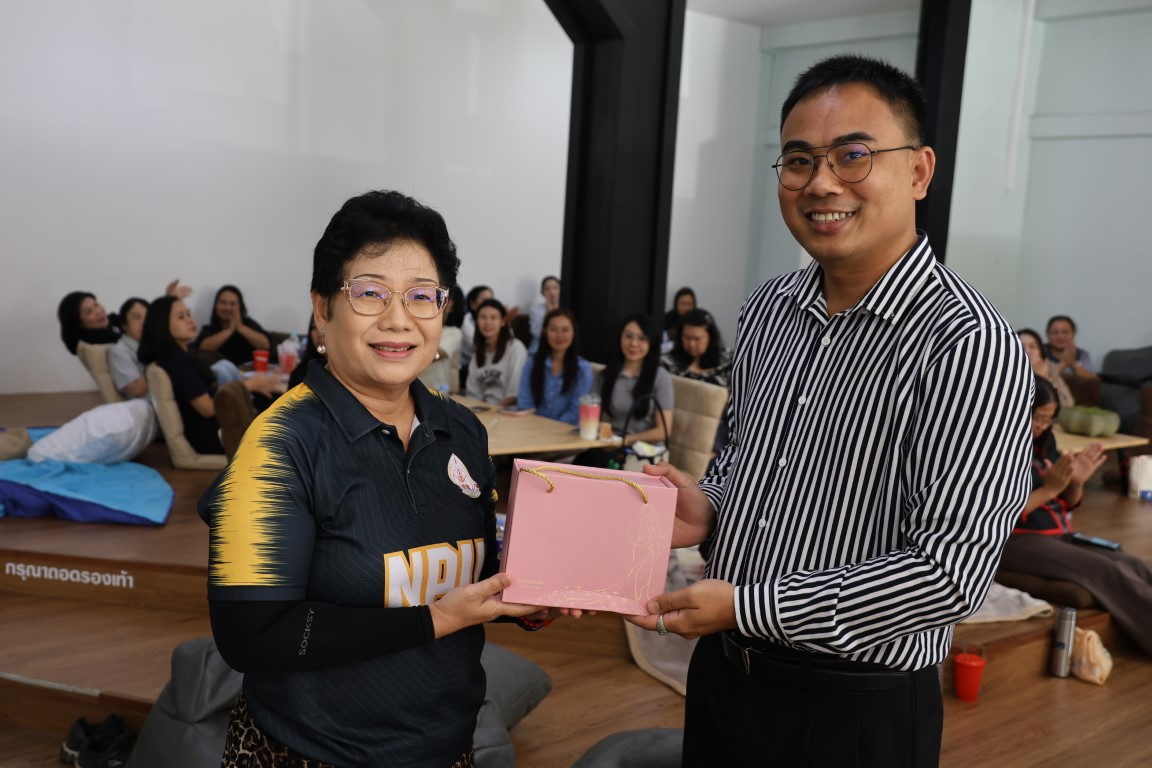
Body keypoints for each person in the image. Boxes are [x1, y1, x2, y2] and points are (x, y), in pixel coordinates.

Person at [627, 54, 1033, 767]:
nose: (820, 183)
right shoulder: (767, 309)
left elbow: (950, 573)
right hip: (723, 671)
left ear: (919, 171)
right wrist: (709, 506)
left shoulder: (967, 341)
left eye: (854, 155)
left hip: (855, 707)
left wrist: (750, 608)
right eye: (799, 160)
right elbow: (744, 459)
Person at [197, 190, 562, 767]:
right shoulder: (279, 444)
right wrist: (435, 620)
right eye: (370, 292)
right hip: (308, 755)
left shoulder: (461, 429)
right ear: (322, 310)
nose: (398, 319)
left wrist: (532, 595)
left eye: (421, 295)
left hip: (449, 748)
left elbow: (466, 571)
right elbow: (251, 636)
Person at [999, 376, 1152, 654]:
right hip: (1015, 540)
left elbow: (1066, 503)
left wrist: (1076, 483)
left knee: (1134, 564)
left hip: (1058, 532)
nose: (1041, 426)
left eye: (1048, 420)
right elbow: (997, 516)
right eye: (1037, 417)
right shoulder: (996, 448)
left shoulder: (1043, 443)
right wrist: (1049, 489)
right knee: (1108, 571)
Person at [137, 295, 279, 455]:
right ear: (162, 324)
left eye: (188, 314)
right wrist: (250, 385)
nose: (190, 320)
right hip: (212, 437)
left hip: (215, 430)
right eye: (181, 317)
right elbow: (208, 408)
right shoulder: (176, 361)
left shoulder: (180, 357)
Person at [57, 279, 190, 355]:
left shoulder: (111, 321)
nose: (98, 311)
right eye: (89, 312)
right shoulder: (100, 340)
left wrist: (168, 300)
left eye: (96, 305)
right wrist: (169, 302)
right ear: (79, 322)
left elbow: (143, 316)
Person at [515, 308, 593, 425]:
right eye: (553, 329)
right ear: (545, 331)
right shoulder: (532, 363)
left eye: (565, 330)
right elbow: (525, 403)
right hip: (532, 428)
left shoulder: (583, 369)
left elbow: (575, 411)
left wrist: (550, 428)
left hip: (566, 431)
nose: (559, 335)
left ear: (574, 333)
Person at [466, 298, 527, 407]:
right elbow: (472, 393)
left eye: (493, 318)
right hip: (483, 410)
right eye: (483, 317)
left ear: (502, 322)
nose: (487, 322)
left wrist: (493, 410)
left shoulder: (515, 348)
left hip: (507, 412)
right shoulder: (479, 352)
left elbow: (514, 395)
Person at [192, 285, 272, 368]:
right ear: (216, 305)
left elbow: (265, 345)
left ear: (240, 307)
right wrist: (230, 330)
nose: (227, 307)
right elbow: (203, 348)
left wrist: (240, 327)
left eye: (232, 304)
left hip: (249, 371)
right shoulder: (209, 329)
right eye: (223, 303)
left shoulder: (248, 323)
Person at [660, 308, 733, 388]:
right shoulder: (666, 362)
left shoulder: (728, 360)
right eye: (687, 338)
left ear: (711, 337)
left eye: (697, 339)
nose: (692, 344)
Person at [418, 283, 466, 393]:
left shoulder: (453, 332)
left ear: (454, 305)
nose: (437, 300)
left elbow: (438, 354)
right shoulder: (420, 326)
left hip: (437, 391)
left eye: (446, 298)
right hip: (410, 388)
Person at [1018, 327, 1074, 407]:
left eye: (1032, 346)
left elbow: (1068, 403)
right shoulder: (1007, 372)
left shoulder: (1050, 369)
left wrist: (1046, 379)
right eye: (1021, 347)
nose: (1027, 351)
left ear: (1041, 352)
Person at [106, 297, 150, 399]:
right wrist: (159, 360)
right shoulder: (119, 351)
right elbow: (135, 390)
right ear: (124, 325)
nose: (144, 323)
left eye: (148, 318)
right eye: (137, 317)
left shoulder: (152, 345)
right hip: (150, 406)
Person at [1045, 314, 1098, 381]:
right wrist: (1064, 364)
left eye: (1065, 332)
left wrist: (1073, 363)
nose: (1060, 337)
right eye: (1055, 332)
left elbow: (1093, 380)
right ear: (1048, 334)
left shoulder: (1082, 354)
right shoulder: (1039, 351)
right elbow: (1040, 378)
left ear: (1073, 334)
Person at [458, 284, 493, 382]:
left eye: (491, 300)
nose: (489, 304)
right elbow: (477, 346)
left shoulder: (497, 320)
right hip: (466, 368)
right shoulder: (466, 321)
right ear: (473, 304)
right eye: (485, 300)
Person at [528, 275, 561, 353]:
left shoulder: (567, 308)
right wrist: (549, 313)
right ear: (542, 292)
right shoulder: (536, 309)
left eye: (555, 288)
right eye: (547, 289)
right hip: (539, 346)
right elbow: (536, 333)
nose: (552, 292)